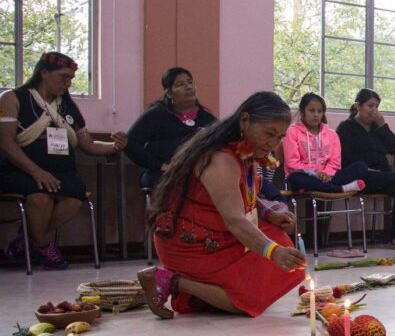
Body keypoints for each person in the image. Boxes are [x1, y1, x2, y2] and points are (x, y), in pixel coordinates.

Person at [137, 91, 306, 319]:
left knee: (275, 234)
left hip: (216, 232)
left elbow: (243, 196)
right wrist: (274, 253)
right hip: (190, 242)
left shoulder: (243, 152)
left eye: (279, 137)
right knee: (251, 298)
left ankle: (207, 291)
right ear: (245, 120)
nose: (272, 144)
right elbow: (234, 219)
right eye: (269, 133)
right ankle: (173, 280)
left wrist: (268, 213)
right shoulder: (221, 159)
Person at [0, 52, 127, 270]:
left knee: (74, 197)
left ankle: (28, 242)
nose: (68, 83)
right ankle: (43, 244)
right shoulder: (13, 98)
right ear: (44, 73)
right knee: (40, 198)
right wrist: (36, 171)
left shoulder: (67, 106)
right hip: (20, 170)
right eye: (63, 77)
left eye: (71, 78)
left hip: (62, 171)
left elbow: (88, 145)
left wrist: (115, 146)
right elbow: (6, 142)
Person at [336, 89, 395, 249]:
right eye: (370, 105)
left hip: (381, 177)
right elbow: (345, 158)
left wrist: (383, 125)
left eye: (377, 106)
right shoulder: (345, 128)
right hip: (358, 177)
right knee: (379, 175)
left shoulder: (378, 129)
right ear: (358, 106)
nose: (374, 110)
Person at [125, 67, 217, 188]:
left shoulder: (207, 119)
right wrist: (159, 165)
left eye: (190, 82)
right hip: (162, 173)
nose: (188, 87)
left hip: (197, 172)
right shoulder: (156, 115)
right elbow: (130, 143)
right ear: (169, 93)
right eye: (180, 84)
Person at [283, 92, 367, 194]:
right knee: (295, 178)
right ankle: (340, 189)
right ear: (303, 111)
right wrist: (315, 173)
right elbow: (292, 163)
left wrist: (325, 174)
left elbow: (335, 163)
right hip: (305, 176)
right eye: (311, 110)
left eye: (320, 111)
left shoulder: (332, 135)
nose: (316, 114)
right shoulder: (292, 132)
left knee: (361, 167)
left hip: (329, 177)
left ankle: (320, 186)